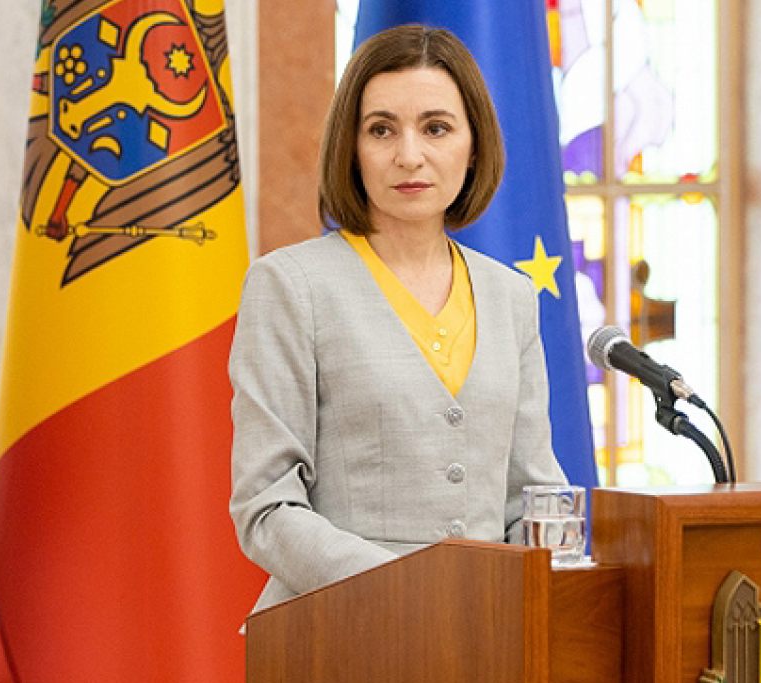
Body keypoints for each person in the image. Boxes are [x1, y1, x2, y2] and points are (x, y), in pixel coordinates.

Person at [229, 24, 568, 614]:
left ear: (474, 145)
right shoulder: (289, 285)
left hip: (490, 634)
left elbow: (533, 496)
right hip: (337, 631)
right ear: (351, 148)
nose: (409, 155)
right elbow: (266, 507)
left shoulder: (511, 296)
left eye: (436, 128)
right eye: (382, 129)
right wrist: (413, 592)